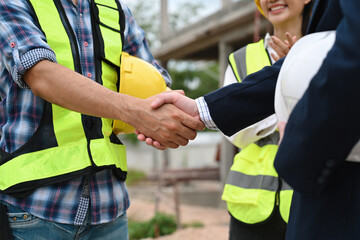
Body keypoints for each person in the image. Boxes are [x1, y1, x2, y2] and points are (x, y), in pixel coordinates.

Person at [137, 0, 360, 239]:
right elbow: (238, 134)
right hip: (251, 201)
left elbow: (349, 57)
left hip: (310, 188)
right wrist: (200, 110)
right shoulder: (245, 57)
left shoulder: (312, 47)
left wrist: (297, 84)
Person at [0, 0, 203, 239]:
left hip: (110, 208)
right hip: (33, 209)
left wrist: (175, 116)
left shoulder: (116, 12)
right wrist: (138, 112)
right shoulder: (13, 3)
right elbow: (41, 75)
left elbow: (154, 85)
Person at [221, 1, 312, 239]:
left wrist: (258, 105)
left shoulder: (327, 52)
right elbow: (235, 131)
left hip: (310, 201)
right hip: (249, 205)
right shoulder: (240, 59)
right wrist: (290, 94)